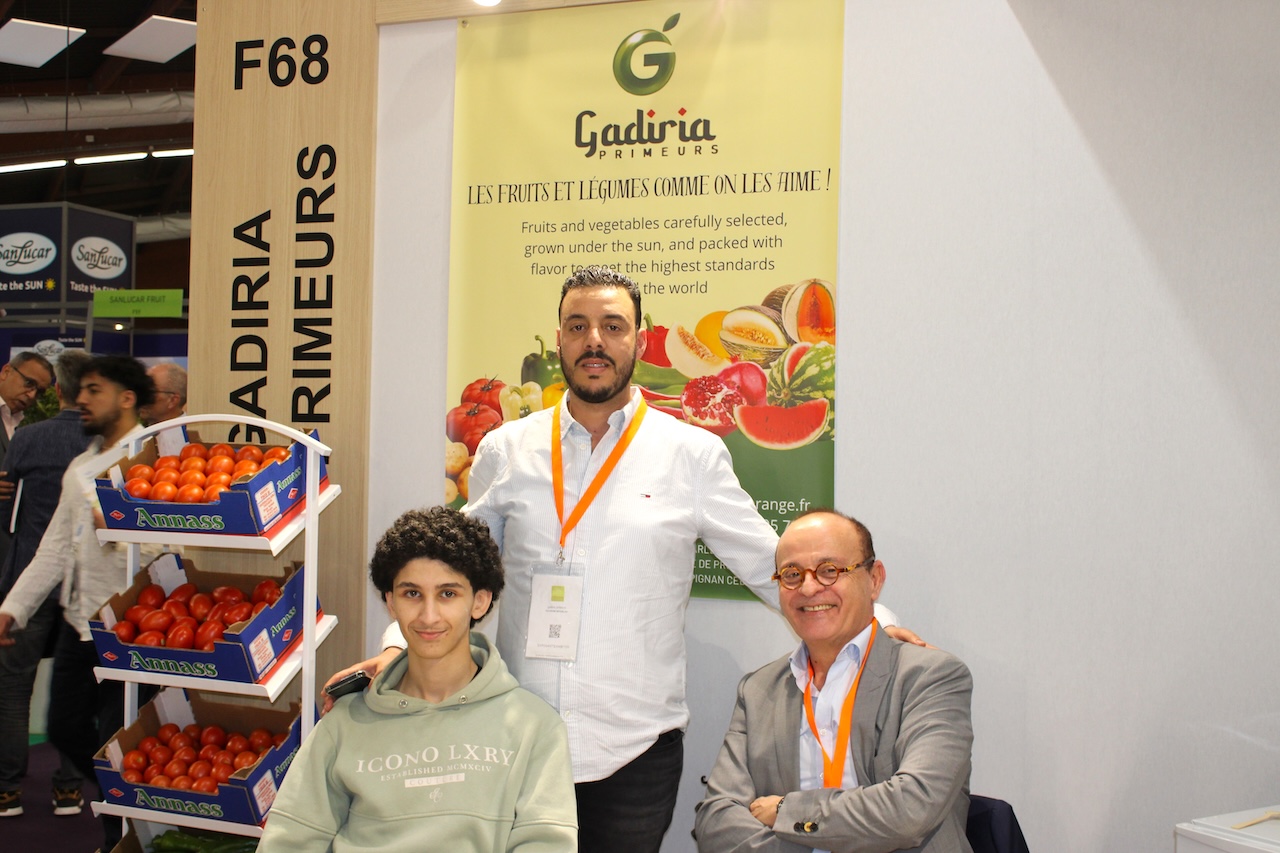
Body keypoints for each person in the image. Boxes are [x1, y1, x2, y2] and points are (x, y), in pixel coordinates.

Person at [335, 266, 916, 852]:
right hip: (513, 739)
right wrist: (398, 647)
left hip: (634, 753)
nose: (594, 341)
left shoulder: (691, 453)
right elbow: (451, 570)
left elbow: (770, 565)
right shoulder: (506, 449)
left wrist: (873, 626)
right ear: (558, 341)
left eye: (613, 326)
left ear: (638, 342)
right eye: (578, 326)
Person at [259, 506, 577, 853]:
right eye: (412, 594)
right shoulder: (343, 723)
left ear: (480, 601)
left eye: (447, 594)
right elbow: (288, 842)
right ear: (391, 603)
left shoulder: (536, 728)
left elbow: (546, 845)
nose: (428, 616)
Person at [693, 510, 973, 853]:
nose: (809, 587)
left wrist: (786, 812)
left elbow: (912, 809)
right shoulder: (758, 690)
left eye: (829, 571)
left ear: (874, 580)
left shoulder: (930, 678)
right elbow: (716, 821)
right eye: (792, 574)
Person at [0, 355, 159, 849]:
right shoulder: (79, 467)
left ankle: (121, 837)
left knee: (120, 743)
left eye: (94, 391)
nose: (81, 400)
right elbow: (54, 549)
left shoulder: (155, 457)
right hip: (78, 626)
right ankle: (131, 804)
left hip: (134, 631)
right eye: (83, 390)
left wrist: (116, 526)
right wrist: (12, 609)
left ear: (126, 399)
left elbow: (172, 547)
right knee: (64, 728)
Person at [0, 350, 92, 819]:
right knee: (76, 691)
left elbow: (6, 503)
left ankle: (7, 790)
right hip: (81, 586)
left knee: (14, 689)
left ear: (57, 391)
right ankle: (69, 789)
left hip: (29, 577)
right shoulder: (106, 444)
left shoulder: (28, 438)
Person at [0, 352, 55, 578]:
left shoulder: (24, 426)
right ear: (6, 372)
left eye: (39, 391)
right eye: (28, 383)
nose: (31, 395)